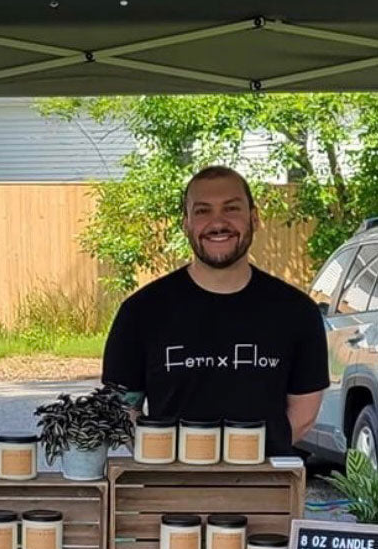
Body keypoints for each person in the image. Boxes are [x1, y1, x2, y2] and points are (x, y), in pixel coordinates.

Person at [102, 165, 328, 455]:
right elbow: (120, 408)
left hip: (266, 492)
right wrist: (162, 458)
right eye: (202, 211)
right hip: (169, 491)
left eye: (231, 208)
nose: (218, 222)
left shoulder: (297, 313)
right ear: (186, 223)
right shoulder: (141, 312)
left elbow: (303, 415)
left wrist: (247, 459)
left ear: (254, 218)